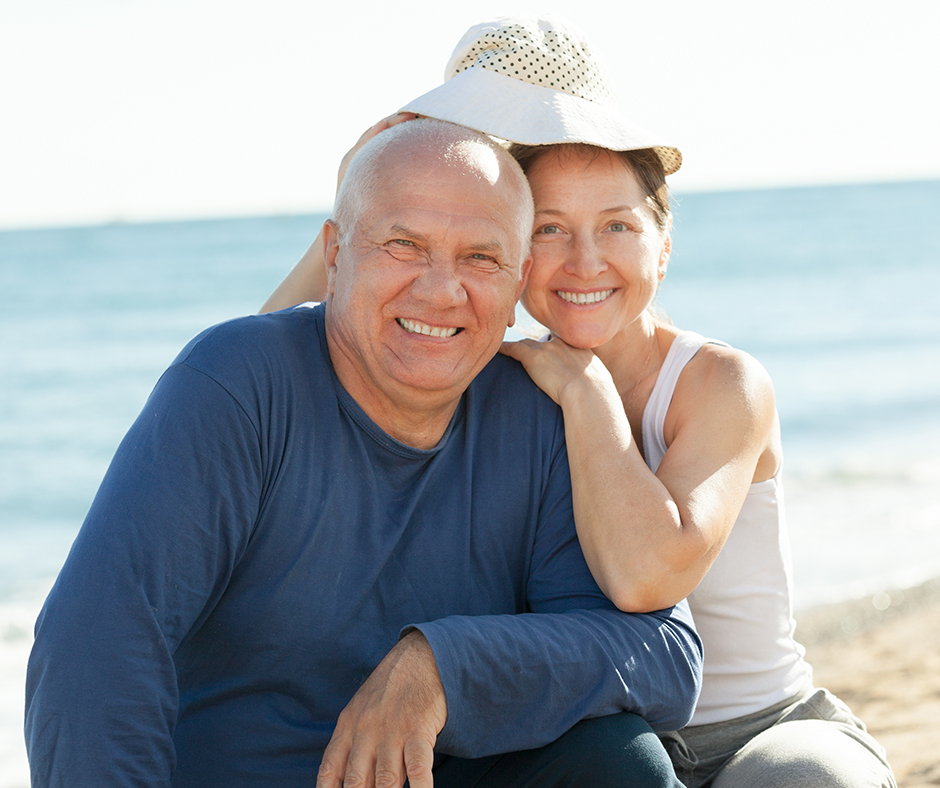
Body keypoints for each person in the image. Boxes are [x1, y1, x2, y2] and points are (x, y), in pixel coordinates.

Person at [260, 16, 896, 788]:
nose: (585, 261)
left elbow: (644, 579)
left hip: (758, 734)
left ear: (663, 246)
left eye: (618, 227)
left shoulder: (720, 383)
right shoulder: (487, 376)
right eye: (552, 229)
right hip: (586, 740)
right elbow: (273, 384)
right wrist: (358, 198)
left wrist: (586, 386)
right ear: (514, 253)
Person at [25, 119, 703, 788]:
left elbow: (662, 657)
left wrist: (443, 665)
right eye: (403, 245)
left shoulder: (537, 414)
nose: (442, 291)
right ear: (335, 251)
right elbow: (96, 646)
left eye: (480, 257)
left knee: (619, 759)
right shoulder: (234, 384)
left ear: (519, 276)